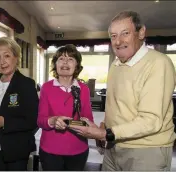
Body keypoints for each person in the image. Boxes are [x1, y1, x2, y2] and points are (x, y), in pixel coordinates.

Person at [69, 11, 176, 171]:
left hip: (146, 151)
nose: (118, 41)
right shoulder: (116, 64)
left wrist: (104, 134)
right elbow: (115, 105)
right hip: (113, 146)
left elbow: (151, 121)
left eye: (125, 33)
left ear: (141, 33)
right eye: (113, 36)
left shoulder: (158, 64)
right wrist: (103, 127)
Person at [0, 37, 39, 170]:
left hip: (17, 149)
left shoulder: (27, 84)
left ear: (16, 57)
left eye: (6, 55)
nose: (2, 61)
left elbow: (32, 120)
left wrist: (5, 122)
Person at [37, 44, 93, 171]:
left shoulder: (83, 89)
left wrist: (83, 124)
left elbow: (89, 119)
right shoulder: (46, 87)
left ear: (77, 66)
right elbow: (40, 120)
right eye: (61, 59)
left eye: (71, 59)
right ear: (55, 64)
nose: (65, 62)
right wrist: (53, 120)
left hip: (78, 149)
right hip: (50, 151)